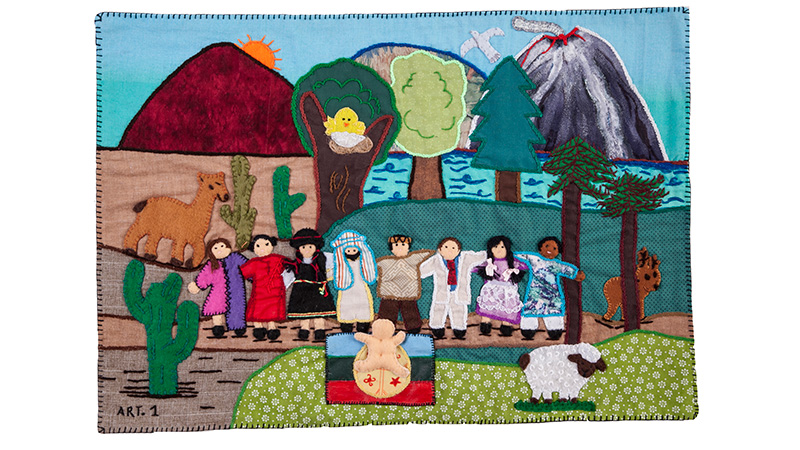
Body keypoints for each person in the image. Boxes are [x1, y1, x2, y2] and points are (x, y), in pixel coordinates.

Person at [516, 237, 586, 340]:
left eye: (554, 248)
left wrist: (575, 274)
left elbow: (565, 269)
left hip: (551, 294)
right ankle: (528, 329)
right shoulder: (534, 259)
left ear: (558, 251)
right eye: (547, 246)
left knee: (553, 309)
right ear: (540, 248)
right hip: (535, 292)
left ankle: (555, 330)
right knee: (531, 308)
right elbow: (521, 257)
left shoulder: (556, 264)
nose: (550, 250)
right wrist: (508, 257)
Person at [419, 237, 486, 339]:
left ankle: (459, 328)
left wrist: (489, 254)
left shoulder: (465, 258)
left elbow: (478, 257)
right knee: (438, 308)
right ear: (440, 250)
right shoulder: (436, 260)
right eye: (446, 247)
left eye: (453, 248)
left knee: (459, 309)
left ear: (458, 251)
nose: (450, 250)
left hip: (458, 292)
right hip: (442, 292)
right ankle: (437, 326)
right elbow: (422, 270)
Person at [188, 238, 247, 337]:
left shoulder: (235, 258)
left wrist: (256, 277)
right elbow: (205, 277)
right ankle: (218, 325)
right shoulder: (212, 264)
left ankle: (238, 325)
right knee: (216, 307)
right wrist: (198, 285)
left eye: (222, 246)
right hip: (218, 292)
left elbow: (248, 267)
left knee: (237, 307)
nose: (219, 249)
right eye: (215, 248)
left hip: (236, 290)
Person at [285, 228, 336, 341]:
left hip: (318, 288)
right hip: (302, 290)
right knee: (304, 311)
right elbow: (288, 275)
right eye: (303, 247)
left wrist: (330, 276)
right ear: (299, 248)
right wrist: (283, 286)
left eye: (310, 247)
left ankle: (320, 329)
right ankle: (304, 329)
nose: (307, 250)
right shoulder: (296, 264)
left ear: (316, 246)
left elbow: (337, 261)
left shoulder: (323, 258)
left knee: (320, 312)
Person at [376, 235, 434, 334]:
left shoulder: (413, 258)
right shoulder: (385, 261)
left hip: (408, 292)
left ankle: (413, 326)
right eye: (396, 245)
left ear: (408, 247)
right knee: (388, 309)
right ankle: (384, 327)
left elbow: (425, 254)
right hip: (389, 292)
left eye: (403, 244)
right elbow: (374, 267)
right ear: (391, 248)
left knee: (410, 308)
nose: (400, 247)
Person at [473, 236, 528, 337]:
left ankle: (506, 324)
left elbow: (524, 266)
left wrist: (514, 270)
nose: (499, 250)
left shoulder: (512, 262)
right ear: (490, 249)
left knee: (508, 306)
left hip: (507, 289)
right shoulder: (490, 262)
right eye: (495, 247)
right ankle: (485, 322)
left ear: (507, 248)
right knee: (488, 304)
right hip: (492, 288)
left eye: (502, 247)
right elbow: (476, 268)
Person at [240, 235, 290, 341]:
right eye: (258, 246)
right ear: (253, 248)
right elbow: (242, 273)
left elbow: (289, 266)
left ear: (272, 245)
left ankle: (272, 327)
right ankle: (258, 327)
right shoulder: (254, 263)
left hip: (275, 292)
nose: (262, 248)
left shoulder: (278, 259)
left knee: (272, 310)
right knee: (258, 309)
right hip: (259, 292)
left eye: (266, 244)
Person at [330, 230, 377, 333]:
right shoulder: (340, 266)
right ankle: (346, 323)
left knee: (363, 303)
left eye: (354, 250)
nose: (351, 252)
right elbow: (332, 272)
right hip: (345, 287)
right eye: (348, 250)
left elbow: (371, 270)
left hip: (361, 287)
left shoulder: (363, 263)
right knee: (345, 304)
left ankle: (363, 323)